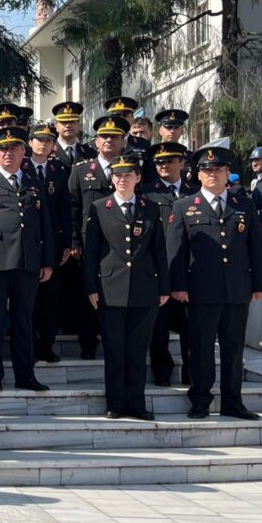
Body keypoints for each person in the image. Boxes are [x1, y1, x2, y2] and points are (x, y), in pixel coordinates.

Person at [168, 147, 262, 420]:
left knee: (234, 349)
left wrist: (261, 285)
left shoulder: (244, 205)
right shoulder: (184, 206)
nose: (212, 174)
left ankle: (232, 402)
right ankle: (200, 400)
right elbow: (175, 253)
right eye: (207, 170)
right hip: (201, 291)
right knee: (201, 348)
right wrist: (177, 286)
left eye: (218, 170)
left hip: (237, 290)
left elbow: (256, 248)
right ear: (198, 175)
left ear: (228, 174)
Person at [0, 128, 54, 393]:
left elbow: (44, 224)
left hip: (28, 263)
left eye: (14, 148)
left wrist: (47, 260)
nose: (8, 153)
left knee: (24, 321)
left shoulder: (33, 183)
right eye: (3, 149)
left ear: (23, 151)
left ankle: (25, 375)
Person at [83, 155, 169, 419]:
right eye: (118, 175)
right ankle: (116, 403)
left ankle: (137, 403)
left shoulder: (150, 208)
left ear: (138, 177)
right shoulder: (99, 207)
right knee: (115, 349)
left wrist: (164, 287)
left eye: (128, 175)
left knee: (137, 349)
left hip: (145, 288)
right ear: (112, 179)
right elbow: (92, 251)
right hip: (110, 288)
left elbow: (159, 251)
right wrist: (91, 286)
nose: (123, 180)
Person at [67, 116, 130, 360]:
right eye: (104, 136)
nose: (109, 140)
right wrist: (73, 241)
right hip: (89, 243)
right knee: (89, 295)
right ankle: (89, 345)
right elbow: (72, 208)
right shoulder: (82, 170)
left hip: (122, 243)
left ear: (123, 142)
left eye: (114, 137)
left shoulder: (131, 171)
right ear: (95, 142)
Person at [142, 142, 199, 386]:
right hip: (159, 270)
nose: (164, 165)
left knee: (192, 327)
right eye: (159, 162)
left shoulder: (195, 192)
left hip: (191, 270)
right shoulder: (146, 193)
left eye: (170, 160)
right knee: (159, 328)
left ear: (182, 163)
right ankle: (162, 373)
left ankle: (191, 372)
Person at [26, 123, 73, 363]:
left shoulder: (60, 170)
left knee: (50, 298)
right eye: (39, 139)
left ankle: (47, 345)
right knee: (28, 299)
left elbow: (66, 209)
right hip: (26, 242)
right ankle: (31, 345)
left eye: (48, 140)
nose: (43, 144)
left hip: (52, 242)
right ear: (30, 142)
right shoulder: (21, 168)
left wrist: (67, 242)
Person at [52, 102, 95, 168]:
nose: (68, 125)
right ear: (56, 127)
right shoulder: (48, 152)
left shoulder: (90, 152)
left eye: (72, 121)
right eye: (64, 122)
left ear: (79, 126)